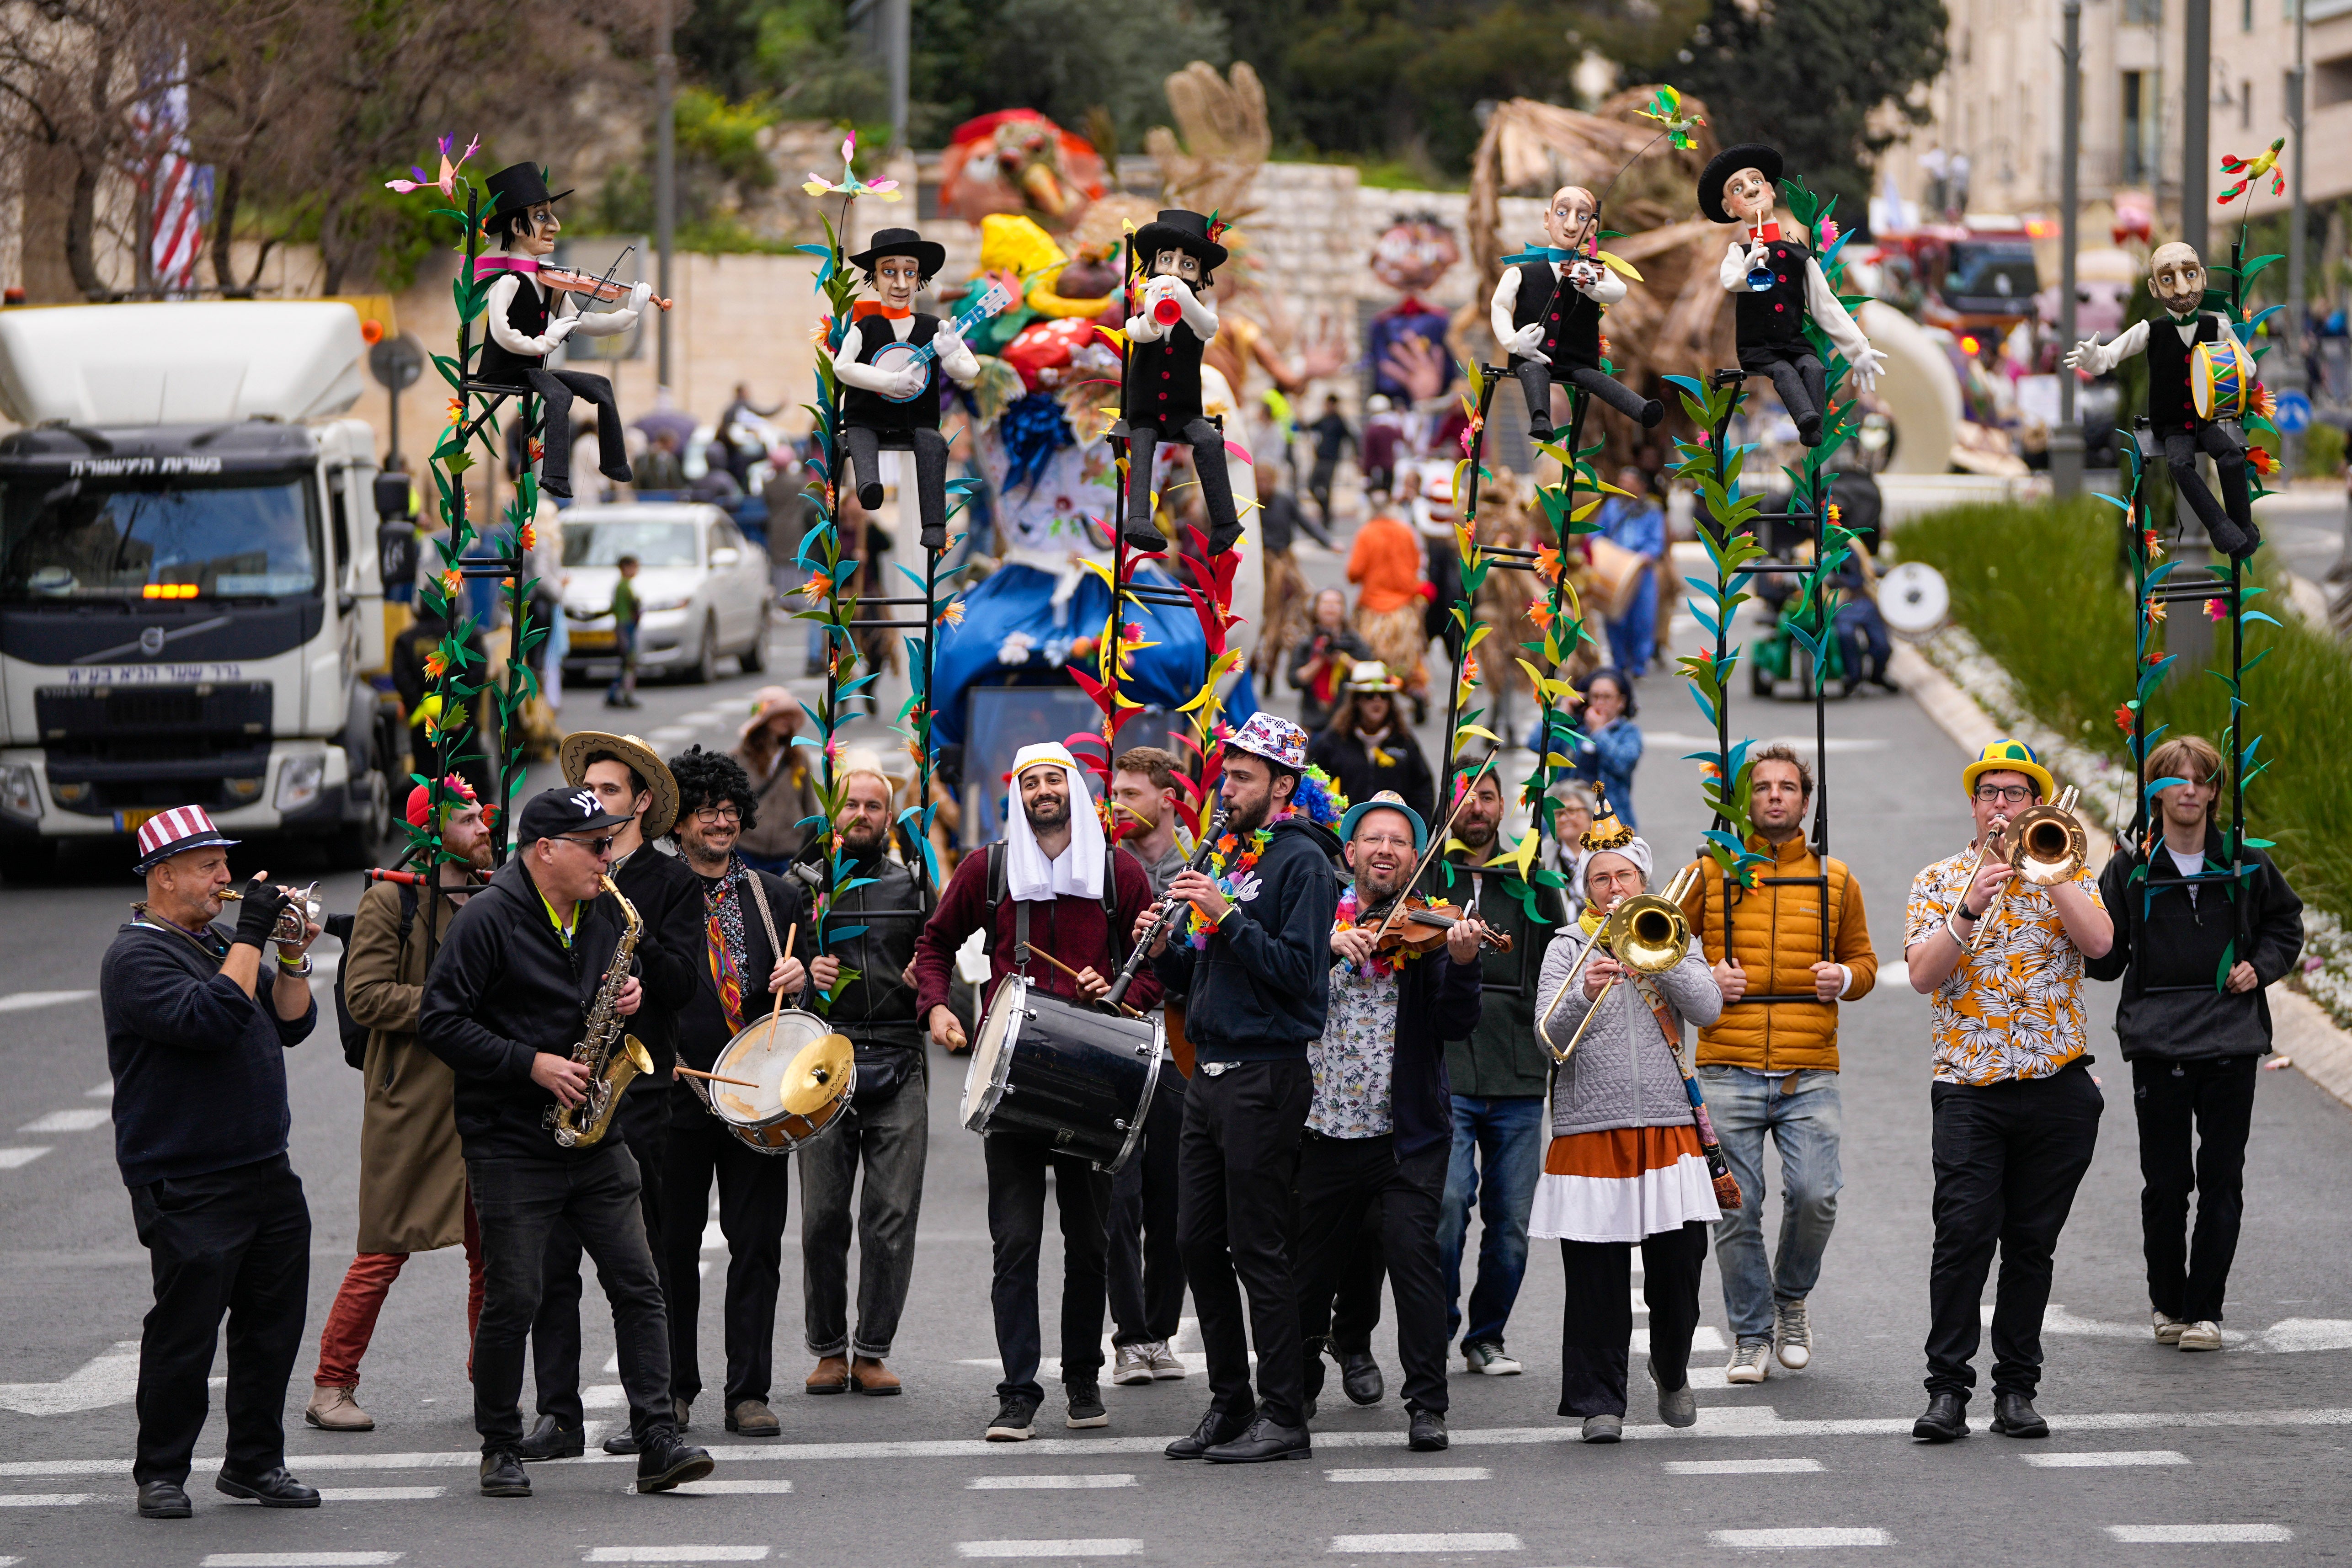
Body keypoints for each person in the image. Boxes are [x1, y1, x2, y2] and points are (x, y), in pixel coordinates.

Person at [419, 785, 715, 1497]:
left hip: (595, 1132)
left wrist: (632, 993)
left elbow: (609, 989)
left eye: (611, 842)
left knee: (640, 1285)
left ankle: (657, 1437)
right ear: (545, 849)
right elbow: (440, 1021)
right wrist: (531, 1063)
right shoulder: (488, 918)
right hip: (511, 1140)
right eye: (596, 845)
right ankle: (499, 1444)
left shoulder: (605, 910)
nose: (609, 856)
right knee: (514, 1297)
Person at [913, 743, 1162, 1440]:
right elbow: (933, 944)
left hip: (1092, 1079)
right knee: (1016, 1243)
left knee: (1090, 1243)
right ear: (1018, 795)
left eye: (1055, 779)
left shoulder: (1118, 871)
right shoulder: (988, 869)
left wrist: (1118, 992)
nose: (1043, 790)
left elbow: (1156, 966)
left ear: (1074, 791)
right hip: (1012, 1078)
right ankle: (1018, 1391)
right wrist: (936, 1006)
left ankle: (1082, 1379)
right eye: (1031, 782)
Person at [101, 808, 324, 1519]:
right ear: (164, 876)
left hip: (266, 1167)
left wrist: (292, 953)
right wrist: (254, 933)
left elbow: (292, 1023)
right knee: (185, 1331)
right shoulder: (137, 956)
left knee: (271, 1327)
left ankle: (255, 1463)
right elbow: (210, 1018)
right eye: (208, 866)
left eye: (225, 863)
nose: (226, 877)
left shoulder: (222, 942)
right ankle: (161, 1471)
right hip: (187, 1177)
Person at [1138, 713, 1345, 1465]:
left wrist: (1224, 915)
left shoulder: (1305, 863)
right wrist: (1165, 950)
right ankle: (1230, 1403)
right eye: (1227, 776)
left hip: (1266, 1073)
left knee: (1259, 1247)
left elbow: (1299, 974)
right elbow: (1205, 974)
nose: (1226, 790)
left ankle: (1284, 1412)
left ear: (1283, 785)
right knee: (1195, 1241)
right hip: (1211, 1070)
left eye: (1243, 778)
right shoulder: (1232, 852)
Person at [1903, 739, 2113, 1442]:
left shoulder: (2068, 866)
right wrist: (1968, 906)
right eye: (1989, 792)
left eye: (2014, 794)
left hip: (2057, 1086)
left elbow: (2101, 944)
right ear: (1973, 805)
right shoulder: (1938, 879)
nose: (2000, 804)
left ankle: (2017, 1390)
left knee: (2031, 1244)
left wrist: (2049, 873)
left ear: (2035, 804)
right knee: (1963, 1237)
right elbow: (1925, 975)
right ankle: (1946, 1390)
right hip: (1970, 1089)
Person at [2086, 735, 2303, 1352]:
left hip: (2231, 1038)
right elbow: (2105, 960)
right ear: (2153, 793)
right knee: (2165, 1182)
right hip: (2158, 1041)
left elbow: (2285, 923)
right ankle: (2168, 1303)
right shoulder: (2128, 868)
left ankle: (2206, 1311)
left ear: (2214, 792)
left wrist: (2259, 966)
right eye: (2174, 779)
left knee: (2222, 1178)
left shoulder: (2245, 863)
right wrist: (2079, 916)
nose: (2188, 789)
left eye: (2201, 779)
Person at [1673, 746, 1878, 1384]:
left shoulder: (1836, 879)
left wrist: (1843, 977)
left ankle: (1790, 1299)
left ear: (1805, 802)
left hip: (1807, 1069)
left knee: (1817, 1195)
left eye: (1787, 787)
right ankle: (1751, 1334)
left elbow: (1866, 963)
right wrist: (1707, 976)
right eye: (1761, 787)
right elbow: (1663, 950)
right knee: (1736, 1207)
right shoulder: (1709, 873)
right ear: (1745, 802)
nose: (1775, 796)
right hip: (1727, 1066)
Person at [1297, 792, 1484, 1452]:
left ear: (1415, 857)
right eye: (1373, 839)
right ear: (1350, 852)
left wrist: (1464, 966)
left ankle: (1428, 1404)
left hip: (1406, 1136)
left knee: (1414, 1262)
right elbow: (1277, 981)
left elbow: (1454, 1024)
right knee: (1308, 1274)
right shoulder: (1315, 915)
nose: (1385, 850)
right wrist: (1322, 947)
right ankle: (1293, 1393)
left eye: (1400, 842)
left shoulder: (1431, 930)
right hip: (1321, 1127)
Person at [308, 780, 495, 1433]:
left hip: (484, 1096)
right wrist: (453, 1006)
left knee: (492, 1254)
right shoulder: (391, 898)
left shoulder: (494, 892)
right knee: (384, 1248)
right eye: (466, 817)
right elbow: (365, 996)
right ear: (430, 832)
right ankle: (331, 1384)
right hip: (412, 1098)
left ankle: (489, 1382)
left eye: (482, 814)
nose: (483, 825)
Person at [1531, 813, 1724, 1442]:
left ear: (1643, 880)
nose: (1614, 888)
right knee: (1595, 1277)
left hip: (1668, 1126)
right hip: (1591, 1130)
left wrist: (1660, 957)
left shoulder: (1672, 930)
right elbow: (1547, 1038)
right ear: (1586, 888)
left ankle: (1670, 1367)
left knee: (1679, 1268)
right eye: (1601, 878)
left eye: (1625, 876)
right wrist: (1583, 992)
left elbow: (1709, 1008)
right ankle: (1599, 1401)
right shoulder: (1567, 946)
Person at [658, 746, 814, 1435]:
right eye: (705, 811)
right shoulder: (650, 895)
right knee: (671, 1251)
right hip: (677, 1096)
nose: (720, 822)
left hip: (758, 1099)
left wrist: (801, 980)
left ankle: (748, 1392)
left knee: (757, 1247)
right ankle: (674, 1389)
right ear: (679, 821)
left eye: (729, 810)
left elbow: (807, 1007)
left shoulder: (778, 897)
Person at [799, 756, 931, 1397]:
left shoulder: (915, 887)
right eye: (850, 803)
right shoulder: (803, 884)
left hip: (900, 1055)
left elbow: (948, 964)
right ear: (832, 812)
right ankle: (828, 1350)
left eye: (873, 806)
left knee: (891, 1213)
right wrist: (807, 973)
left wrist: (926, 976)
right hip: (823, 1059)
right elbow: (773, 974)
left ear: (889, 817)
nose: (861, 814)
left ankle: (872, 1350)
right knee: (823, 1215)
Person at [1430, 764, 1562, 1379]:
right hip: (1447, 1068)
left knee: (1511, 1222)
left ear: (1503, 805)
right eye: (1464, 796)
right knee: (1447, 1203)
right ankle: (1436, 1327)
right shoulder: (1428, 877)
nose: (1475, 806)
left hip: (1517, 1074)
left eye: (1486, 795)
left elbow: (1558, 967)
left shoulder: (1532, 879)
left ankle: (1487, 1335)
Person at [2064, 243, 2261, 558]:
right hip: (2171, 426)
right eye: (2168, 279)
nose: (2182, 288)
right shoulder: (2150, 331)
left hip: (2206, 418)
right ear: (2154, 288)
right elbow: (2109, 356)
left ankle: (2243, 525)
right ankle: (2219, 526)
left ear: (2203, 278)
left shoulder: (2217, 327)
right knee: (2179, 464)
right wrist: (2093, 357)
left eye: (2190, 274)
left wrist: (2229, 363)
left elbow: (2247, 367)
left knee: (2232, 456)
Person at [471, 162, 649, 498]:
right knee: (559, 395)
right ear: (517, 226)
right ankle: (555, 477)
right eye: (542, 217)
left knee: (601, 386)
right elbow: (501, 332)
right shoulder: (509, 282)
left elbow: (583, 321)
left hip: (533, 368)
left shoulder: (548, 281)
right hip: (505, 368)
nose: (555, 225)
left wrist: (630, 314)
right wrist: (545, 341)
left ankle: (615, 464)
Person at [1699, 145, 1886, 448]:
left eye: (1756, 181)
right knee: (1784, 372)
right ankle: (1805, 417)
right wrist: (1749, 269)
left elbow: (1825, 306)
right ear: (1729, 209)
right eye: (1737, 188)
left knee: (1813, 367)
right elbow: (1730, 281)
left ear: (1771, 192)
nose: (1750, 190)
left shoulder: (1799, 255)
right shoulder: (1739, 253)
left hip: (1793, 342)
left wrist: (1859, 350)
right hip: (1758, 348)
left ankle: (1812, 431)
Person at [1105, 747, 1193, 1385]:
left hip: (1181, 1049)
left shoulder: (1202, 866)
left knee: (1175, 1203)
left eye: (1131, 794)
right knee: (1119, 1199)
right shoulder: (1103, 866)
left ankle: (1160, 1332)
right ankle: (1130, 1337)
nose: (1118, 805)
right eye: (1114, 793)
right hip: (1116, 1043)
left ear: (1167, 800)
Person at [831, 228, 982, 553]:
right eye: (889, 272)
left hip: (918, 421)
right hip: (867, 418)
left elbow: (970, 371)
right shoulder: (865, 326)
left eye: (909, 273)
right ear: (874, 278)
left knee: (933, 445)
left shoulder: (934, 328)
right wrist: (889, 382)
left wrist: (951, 354)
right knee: (859, 436)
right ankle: (869, 487)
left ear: (919, 279)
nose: (900, 283)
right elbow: (842, 368)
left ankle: (935, 526)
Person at [1490, 184, 1664, 440]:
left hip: (1578, 360)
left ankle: (1640, 408)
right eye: (1562, 213)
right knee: (1533, 372)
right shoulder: (1520, 273)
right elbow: (1500, 306)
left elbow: (1619, 291)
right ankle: (1541, 418)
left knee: (1595, 379)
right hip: (1533, 355)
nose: (1571, 225)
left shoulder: (1594, 270)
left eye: (1582, 217)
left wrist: (1593, 287)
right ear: (1547, 219)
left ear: (1591, 229)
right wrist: (1515, 342)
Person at [1120, 209, 1242, 556]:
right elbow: (1138, 332)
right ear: (1153, 264)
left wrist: (1182, 297)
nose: (1174, 271)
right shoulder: (1146, 303)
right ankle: (1138, 521)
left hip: (1184, 411)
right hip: (1145, 410)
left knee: (1210, 442)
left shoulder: (1198, 313)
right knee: (1142, 446)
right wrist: (1153, 312)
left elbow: (1208, 326)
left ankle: (1225, 523)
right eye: (1166, 261)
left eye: (1187, 265)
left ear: (1200, 274)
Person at [1309, 661, 1435, 827]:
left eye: (1384, 696)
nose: (1377, 701)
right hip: (1344, 832)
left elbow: (1423, 789)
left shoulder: (1405, 741)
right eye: (1369, 696)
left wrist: (1418, 827)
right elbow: (1312, 784)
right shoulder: (1333, 741)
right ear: (1357, 701)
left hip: (1393, 831)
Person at [1347, 491, 1432, 701]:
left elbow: (1354, 573)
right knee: (1411, 655)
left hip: (1373, 608)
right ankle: (1416, 689)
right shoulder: (1406, 531)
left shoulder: (1366, 533)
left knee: (1370, 654)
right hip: (1404, 608)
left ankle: (1375, 693)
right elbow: (1417, 565)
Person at [731, 687, 826, 873]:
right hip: (747, 848)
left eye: (789, 716)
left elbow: (809, 805)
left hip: (789, 849)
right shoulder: (739, 757)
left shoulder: (799, 757)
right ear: (764, 721)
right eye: (779, 716)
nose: (786, 721)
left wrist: (812, 842)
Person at [1594, 468, 1664, 674]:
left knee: (1643, 619)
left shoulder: (1652, 510)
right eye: (1622, 481)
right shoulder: (1612, 507)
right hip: (1614, 569)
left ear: (1642, 486)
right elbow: (1598, 534)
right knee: (1615, 616)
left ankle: (1639, 664)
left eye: (1629, 482)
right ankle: (1619, 662)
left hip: (1641, 572)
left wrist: (1646, 556)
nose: (1624, 485)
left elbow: (1656, 542)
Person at [1287, 588, 1376, 733]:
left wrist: (1343, 659)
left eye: (1336, 603)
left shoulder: (1354, 642)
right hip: (1313, 720)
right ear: (1316, 609)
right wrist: (1319, 660)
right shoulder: (1306, 643)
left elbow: (1371, 674)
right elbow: (1294, 680)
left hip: (1349, 721)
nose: (1331, 607)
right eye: (1326, 603)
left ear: (1343, 609)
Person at [1567, 669, 1642, 828]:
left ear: (1621, 702)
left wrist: (1599, 732)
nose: (1600, 703)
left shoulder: (1629, 732)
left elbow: (1624, 764)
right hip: (1571, 817)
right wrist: (1562, 714)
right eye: (1595, 697)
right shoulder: (1576, 730)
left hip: (1612, 819)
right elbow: (1536, 744)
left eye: (1607, 697)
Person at [1306, 393, 1355, 525]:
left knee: (1326, 488)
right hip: (1320, 458)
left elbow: (1351, 437)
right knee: (1312, 486)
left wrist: (1354, 455)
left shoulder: (1339, 421)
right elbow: (1309, 426)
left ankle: (1327, 517)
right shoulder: (1324, 419)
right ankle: (1325, 511)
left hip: (1331, 459)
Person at [602, 554, 643, 709]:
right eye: (634, 567)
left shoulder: (623, 586)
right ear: (626, 568)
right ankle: (623, 694)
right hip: (626, 627)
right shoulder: (623, 587)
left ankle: (617, 694)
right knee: (629, 662)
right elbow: (632, 606)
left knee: (626, 664)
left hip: (624, 626)